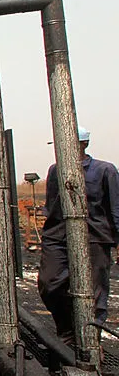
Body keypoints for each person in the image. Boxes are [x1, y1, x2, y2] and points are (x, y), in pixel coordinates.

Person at [37, 126, 119, 345]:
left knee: (94, 292)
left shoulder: (105, 171)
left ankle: (91, 342)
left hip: (95, 236)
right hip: (58, 236)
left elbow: (115, 208)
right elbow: (51, 205)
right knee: (49, 283)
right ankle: (67, 331)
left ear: (84, 144)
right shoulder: (55, 170)